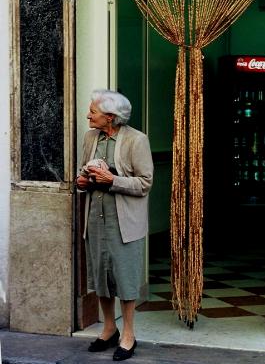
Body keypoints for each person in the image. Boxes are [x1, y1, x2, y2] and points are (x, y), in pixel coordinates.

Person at [76, 89, 153, 361]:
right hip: (95, 220)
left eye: (93, 112)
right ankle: (109, 328)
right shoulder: (90, 137)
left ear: (110, 117)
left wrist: (113, 181)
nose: (88, 115)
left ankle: (129, 334)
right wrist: (82, 181)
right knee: (101, 278)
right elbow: (82, 173)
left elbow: (145, 183)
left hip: (124, 224)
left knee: (125, 279)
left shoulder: (136, 140)